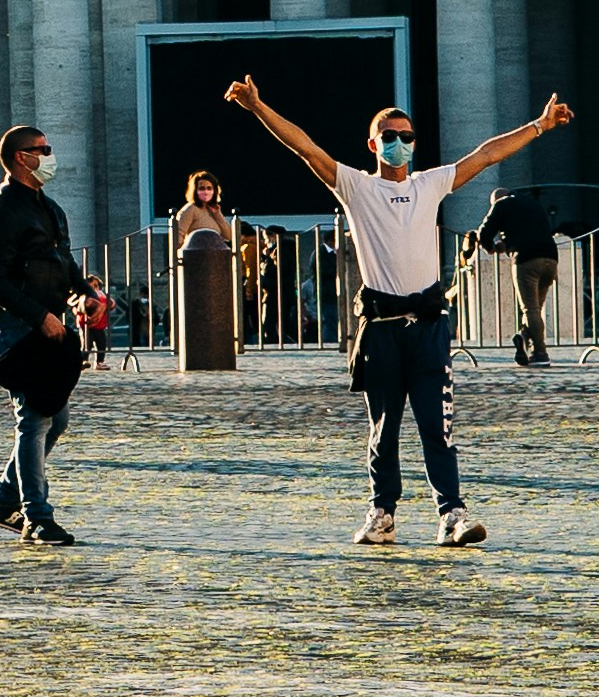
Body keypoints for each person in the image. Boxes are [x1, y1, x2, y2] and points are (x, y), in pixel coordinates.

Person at [222, 73, 577, 546]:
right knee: (383, 429)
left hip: (428, 327)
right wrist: (257, 108)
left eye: (407, 137)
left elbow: (486, 154)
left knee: (438, 425)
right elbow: (306, 149)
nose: (399, 144)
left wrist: (540, 124)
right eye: (390, 137)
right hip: (383, 329)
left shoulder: (431, 184)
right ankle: (381, 514)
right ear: (373, 143)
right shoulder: (356, 187)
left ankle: (451, 514)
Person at [0, 126, 97, 547]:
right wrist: (39, 315)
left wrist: (85, 291)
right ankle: (37, 518)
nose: (50, 154)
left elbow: (60, 259)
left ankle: (1, 501)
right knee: (35, 417)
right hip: (15, 325)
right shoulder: (1, 212)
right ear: (21, 158)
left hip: (50, 321)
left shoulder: (50, 208)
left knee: (54, 419)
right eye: (42, 149)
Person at [473, 191, 564, 369]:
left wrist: (490, 248)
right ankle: (523, 336)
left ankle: (540, 353)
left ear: (495, 200)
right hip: (551, 257)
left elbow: (484, 232)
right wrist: (508, 242)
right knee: (535, 309)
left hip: (526, 259)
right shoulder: (531, 202)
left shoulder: (501, 204)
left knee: (530, 308)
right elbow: (529, 230)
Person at [171, 170, 246, 374]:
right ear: (195, 190)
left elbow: (229, 235)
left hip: (216, 264)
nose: (206, 192)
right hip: (196, 266)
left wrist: (218, 214)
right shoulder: (190, 210)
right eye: (202, 188)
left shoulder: (213, 210)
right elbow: (178, 236)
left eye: (209, 188)